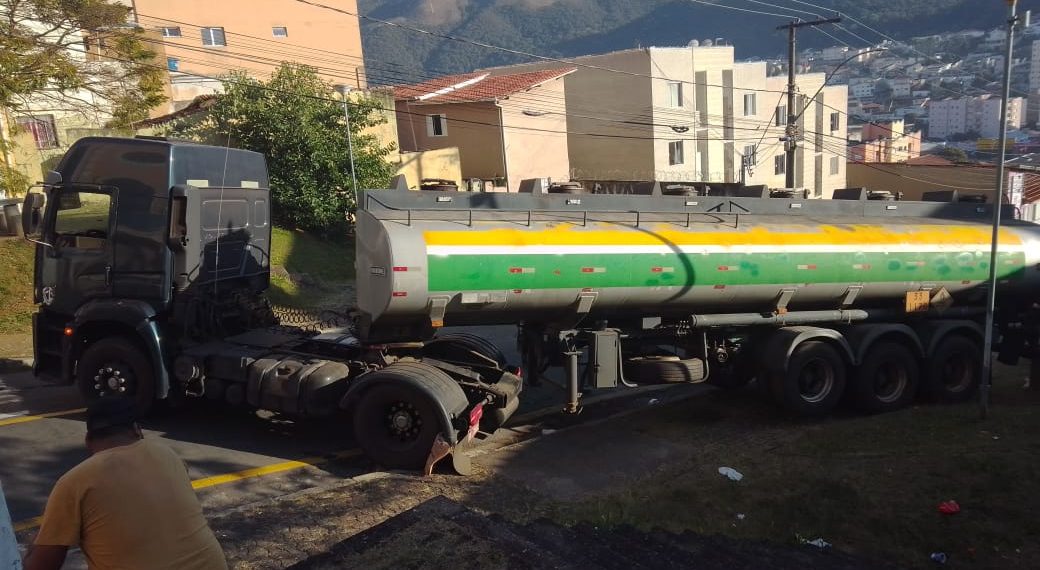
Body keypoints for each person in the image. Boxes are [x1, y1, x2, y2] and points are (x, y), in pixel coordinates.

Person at [23, 398, 227, 570]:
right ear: (137, 430)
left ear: (88, 441)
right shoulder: (168, 454)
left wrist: (36, 543)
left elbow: (41, 566)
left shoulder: (75, 481)